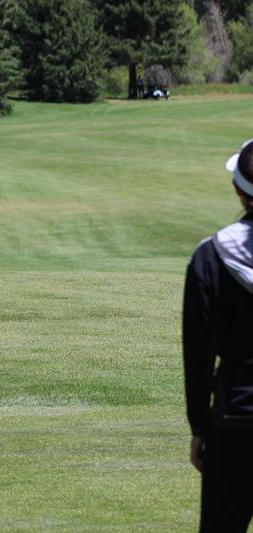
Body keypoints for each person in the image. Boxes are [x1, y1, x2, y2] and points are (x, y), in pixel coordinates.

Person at [183, 139, 253, 531]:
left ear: (237, 189)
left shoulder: (209, 256)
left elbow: (198, 354)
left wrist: (199, 427)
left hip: (234, 424)